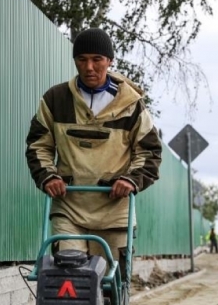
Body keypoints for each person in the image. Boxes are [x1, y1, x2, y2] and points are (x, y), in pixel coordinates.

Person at [25, 28, 162, 278]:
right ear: (75, 60)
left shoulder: (131, 106)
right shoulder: (55, 99)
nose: (89, 67)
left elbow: (149, 151)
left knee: (111, 281)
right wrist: (48, 177)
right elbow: (38, 145)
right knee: (69, 277)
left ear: (109, 61)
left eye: (97, 59)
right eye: (82, 59)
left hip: (115, 210)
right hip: (70, 208)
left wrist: (130, 180)